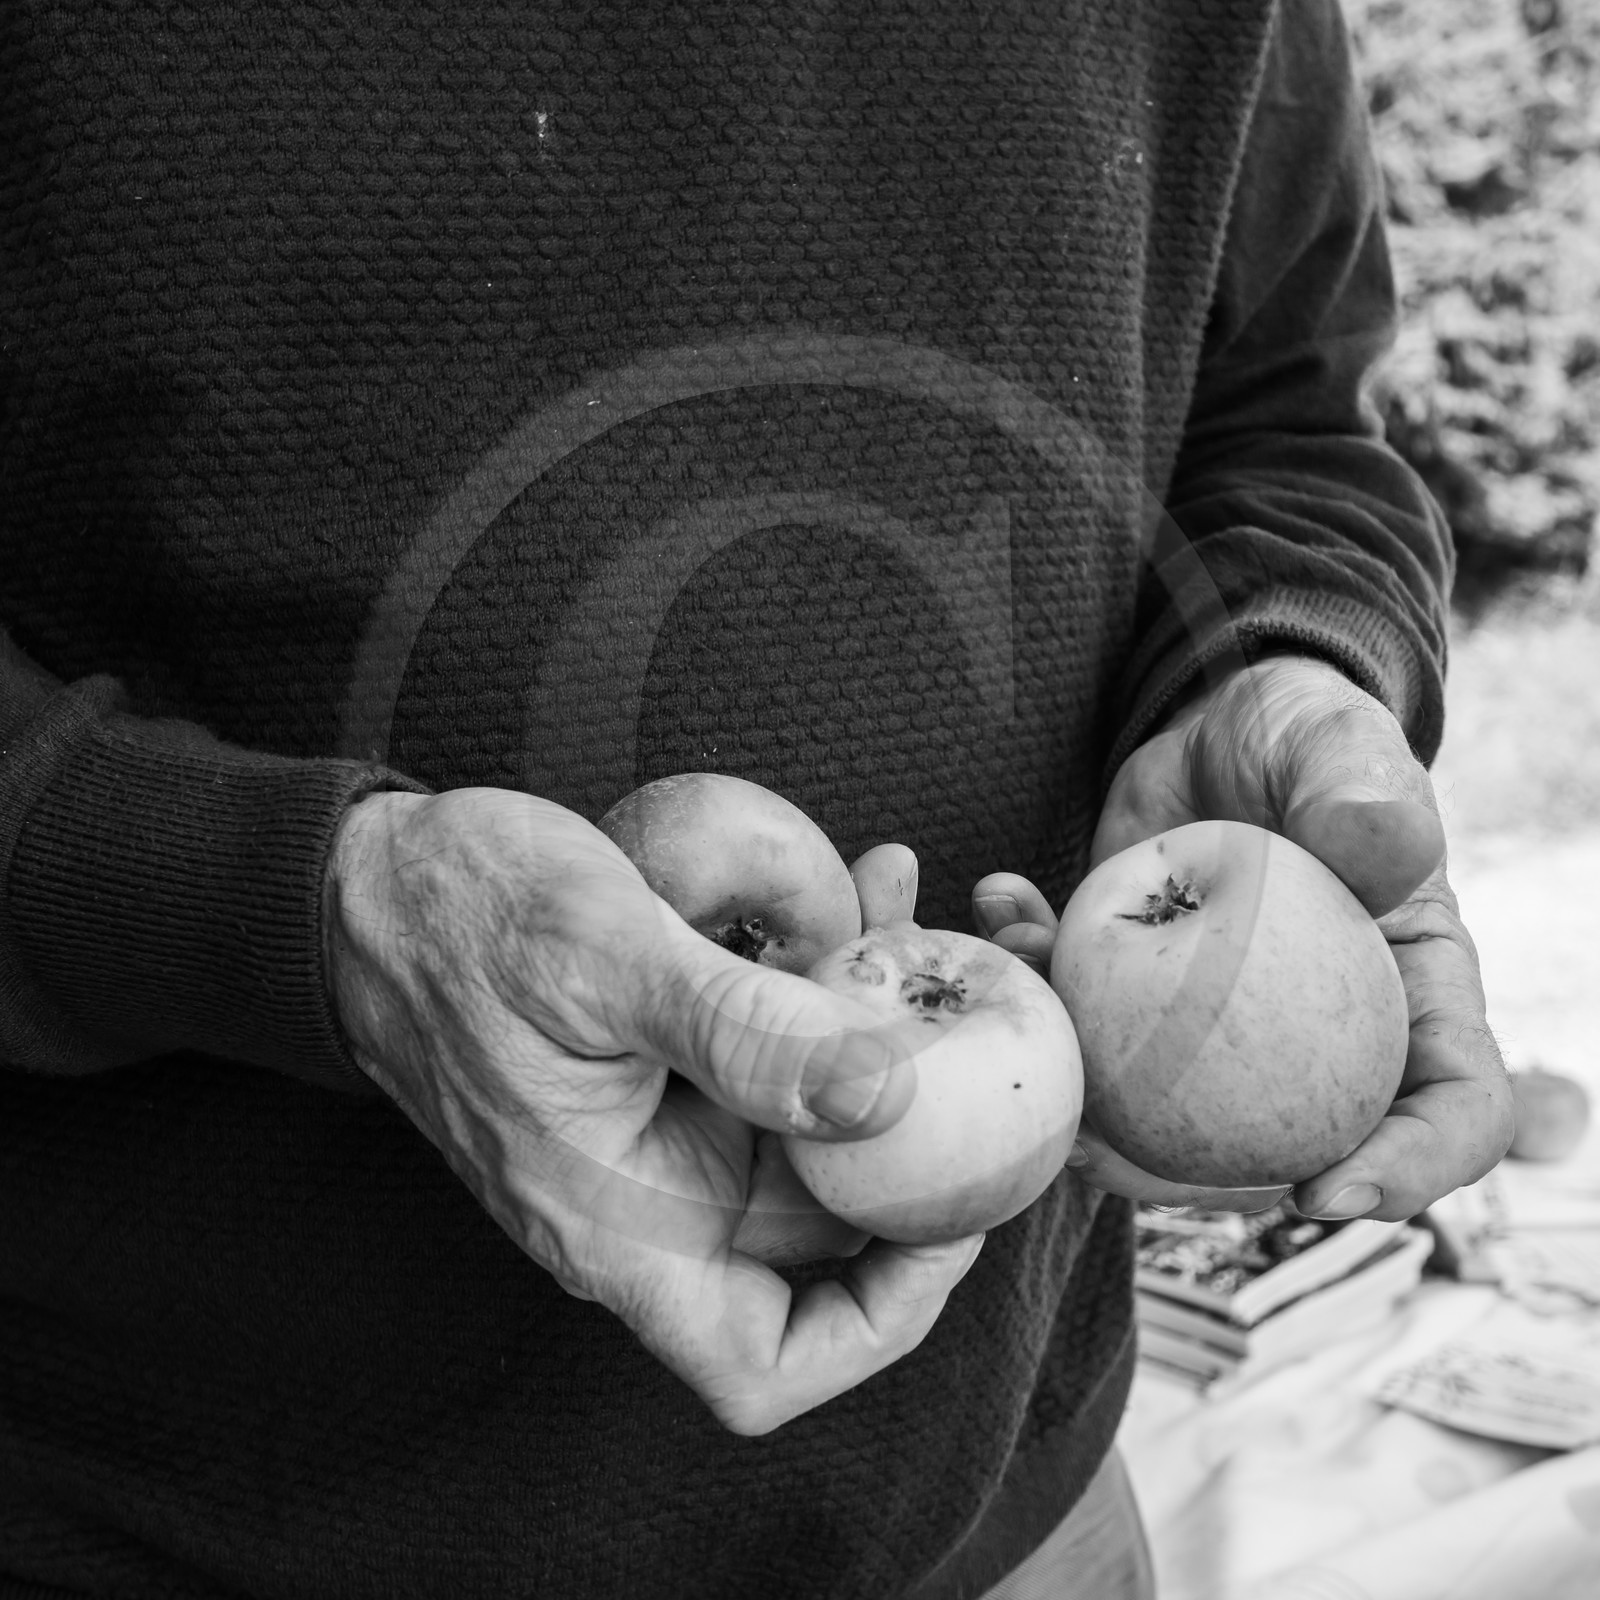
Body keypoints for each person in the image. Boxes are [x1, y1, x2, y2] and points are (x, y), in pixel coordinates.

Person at [0, 0, 1510, 1596]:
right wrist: (309, 912)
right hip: (174, 1529)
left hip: (1012, 1510)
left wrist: (1271, 662)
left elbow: (1284, 415)